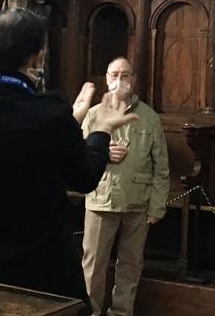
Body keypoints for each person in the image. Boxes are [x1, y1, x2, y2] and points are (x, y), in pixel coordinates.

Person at [0, 8, 138, 308]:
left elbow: (18, 141)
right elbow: (84, 177)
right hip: (43, 276)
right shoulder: (50, 114)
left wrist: (67, 121)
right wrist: (101, 129)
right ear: (37, 57)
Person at [80, 58, 169, 316]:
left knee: (130, 265)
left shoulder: (149, 117)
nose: (120, 80)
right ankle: (91, 313)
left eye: (126, 75)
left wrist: (157, 207)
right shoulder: (94, 114)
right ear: (107, 78)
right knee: (93, 265)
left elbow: (161, 167)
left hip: (137, 203)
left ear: (134, 79)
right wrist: (102, 152)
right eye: (115, 74)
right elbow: (77, 156)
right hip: (101, 199)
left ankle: (121, 312)